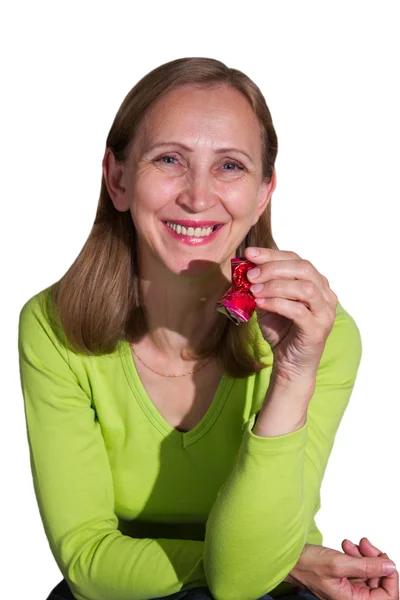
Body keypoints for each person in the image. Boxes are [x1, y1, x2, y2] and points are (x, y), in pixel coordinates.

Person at [17, 57, 398, 600]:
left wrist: (291, 375)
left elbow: (244, 582)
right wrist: (292, 563)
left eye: (230, 166)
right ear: (118, 178)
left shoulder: (320, 334)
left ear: (264, 192)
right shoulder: (54, 327)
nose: (198, 197)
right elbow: (88, 557)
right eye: (169, 159)